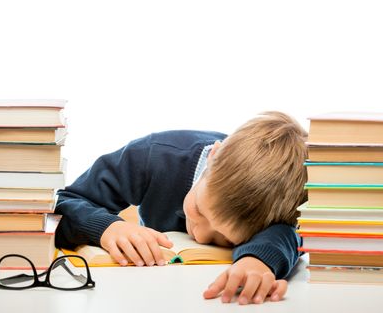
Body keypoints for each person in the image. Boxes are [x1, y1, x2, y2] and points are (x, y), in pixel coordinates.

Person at [55, 111, 308, 305]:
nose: (199, 234)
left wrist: (258, 260)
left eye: (223, 238)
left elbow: (291, 232)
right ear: (212, 157)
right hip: (143, 295)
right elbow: (63, 203)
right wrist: (106, 227)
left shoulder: (270, 205)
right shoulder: (153, 156)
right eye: (198, 209)